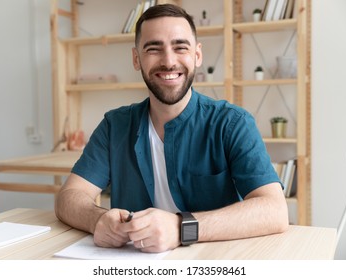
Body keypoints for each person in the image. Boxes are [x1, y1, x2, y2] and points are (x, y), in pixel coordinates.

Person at [55, 4, 289, 253]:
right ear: (137, 59)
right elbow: (69, 197)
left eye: (180, 48)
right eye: (153, 49)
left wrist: (181, 228)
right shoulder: (114, 126)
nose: (168, 61)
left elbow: (274, 210)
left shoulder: (233, 123)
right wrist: (97, 219)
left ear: (197, 55)